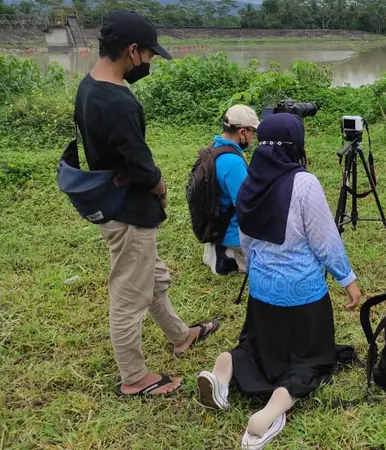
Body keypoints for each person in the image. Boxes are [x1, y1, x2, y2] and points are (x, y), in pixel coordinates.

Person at [74, 11, 218, 397]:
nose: (150, 62)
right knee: (128, 295)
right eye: (150, 55)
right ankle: (134, 378)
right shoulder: (117, 101)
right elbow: (139, 163)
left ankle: (180, 334)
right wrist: (159, 187)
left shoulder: (88, 87)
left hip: (114, 201)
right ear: (132, 50)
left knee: (152, 278)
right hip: (129, 210)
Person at [196, 113, 362, 449]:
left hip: (261, 293)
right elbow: (325, 240)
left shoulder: (250, 181)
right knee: (311, 360)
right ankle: (266, 415)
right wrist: (348, 280)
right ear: (295, 143)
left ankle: (225, 366)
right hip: (303, 297)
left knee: (256, 347)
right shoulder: (304, 183)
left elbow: (246, 241)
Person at [202, 104, 260, 276]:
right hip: (230, 232)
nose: (253, 138)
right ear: (242, 132)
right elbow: (247, 206)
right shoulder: (233, 163)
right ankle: (228, 255)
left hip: (214, 223)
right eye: (252, 132)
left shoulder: (214, 149)